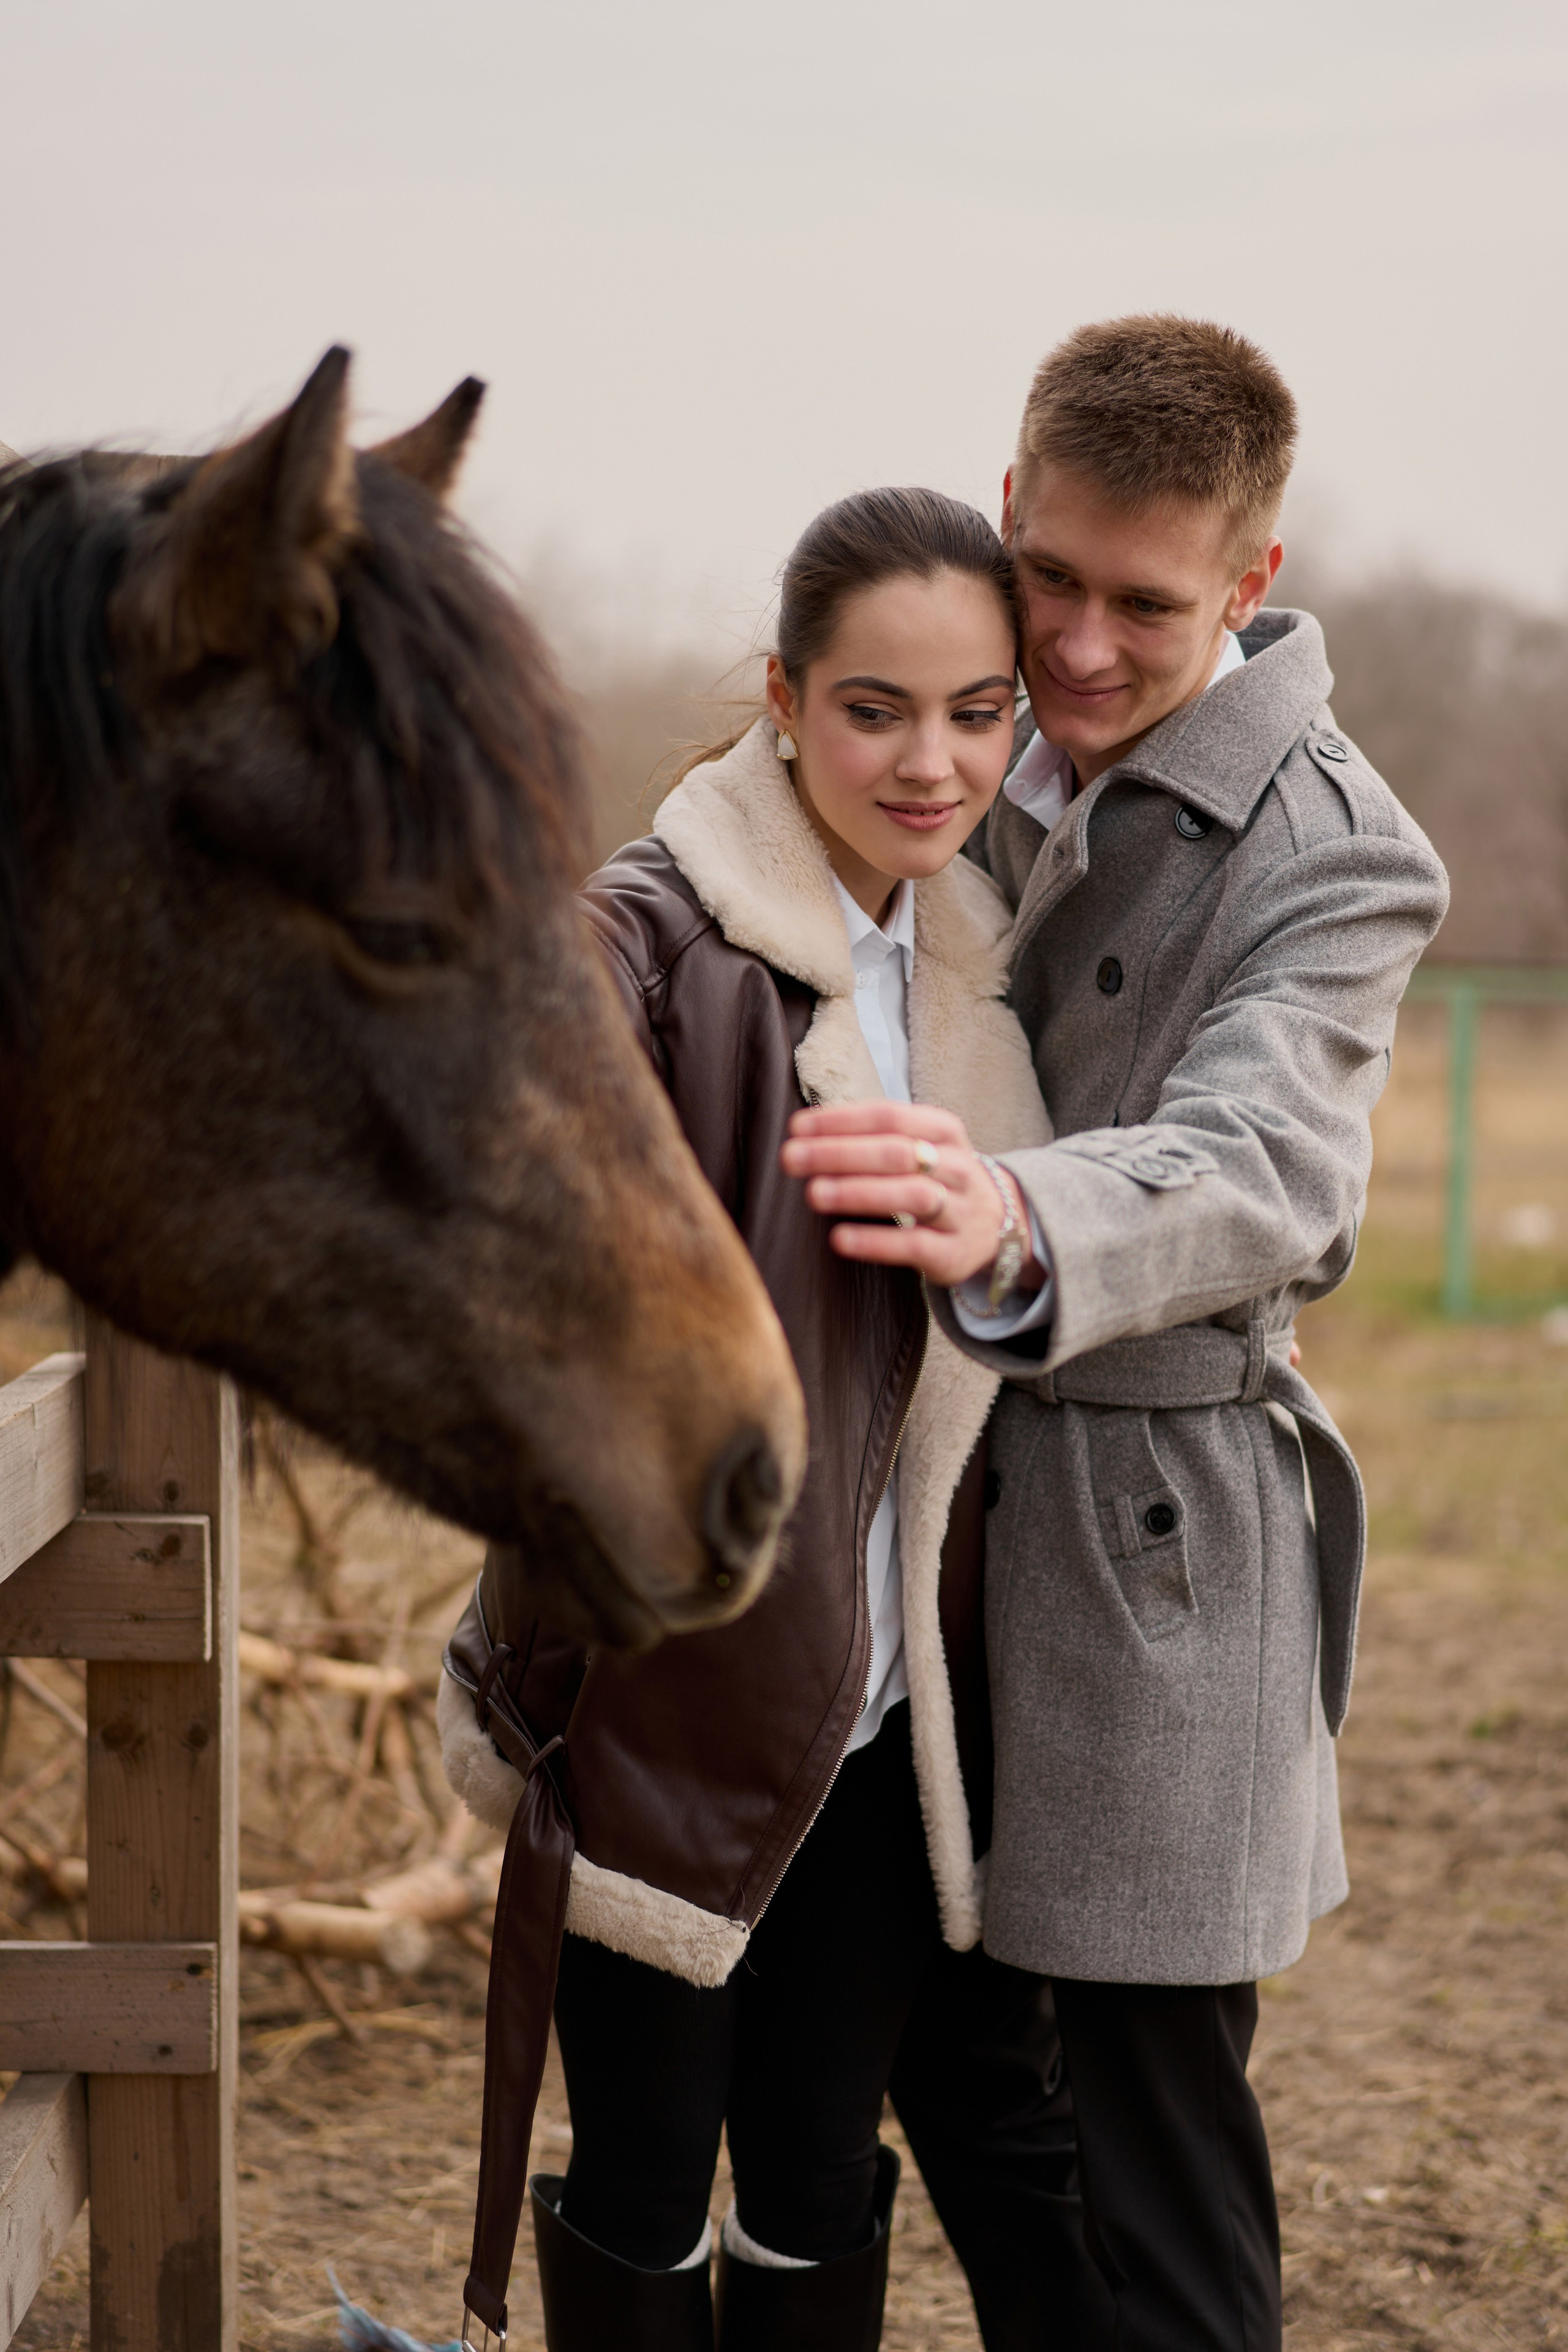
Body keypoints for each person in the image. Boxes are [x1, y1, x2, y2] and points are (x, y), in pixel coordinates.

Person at [784, 315, 1450, 2351]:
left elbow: (1269, 1164)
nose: (1074, 644)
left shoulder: (1337, 851)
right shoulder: (955, 731)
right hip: (920, 1541)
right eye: (1049, 574)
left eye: (1143, 604)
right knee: (960, 2079)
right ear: (1008, 506)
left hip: (1154, 1540)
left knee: (1157, 2133)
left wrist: (1011, 1210)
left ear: (1249, 583)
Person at [438, 486, 1098, 2351]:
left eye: (980, 712)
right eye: (877, 706)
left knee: (820, 2176)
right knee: (647, 2176)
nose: (933, 758)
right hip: (675, 1704)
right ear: (787, 700)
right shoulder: (645, 944)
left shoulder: (979, 964)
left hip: (898, 1721)